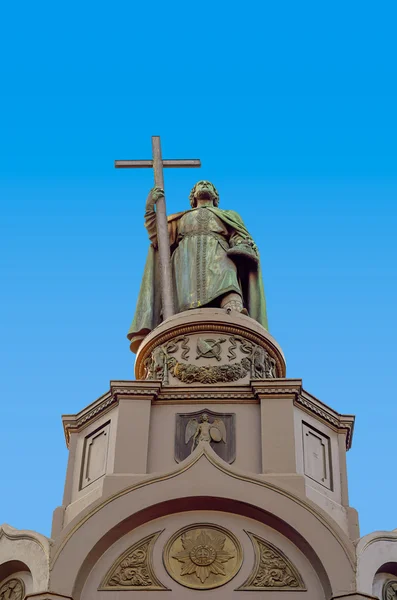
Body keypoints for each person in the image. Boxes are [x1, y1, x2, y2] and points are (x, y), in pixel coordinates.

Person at [128, 181, 268, 352]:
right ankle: (175, 335)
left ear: (216, 196)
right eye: (200, 184)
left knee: (229, 287)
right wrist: (150, 208)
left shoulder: (228, 215)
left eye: (208, 185)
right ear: (192, 197)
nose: (204, 185)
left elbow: (239, 236)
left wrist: (242, 245)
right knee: (183, 305)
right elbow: (158, 236)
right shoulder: (181, 218)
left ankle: (238, 323)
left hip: (220, 254)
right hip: (185, 262)